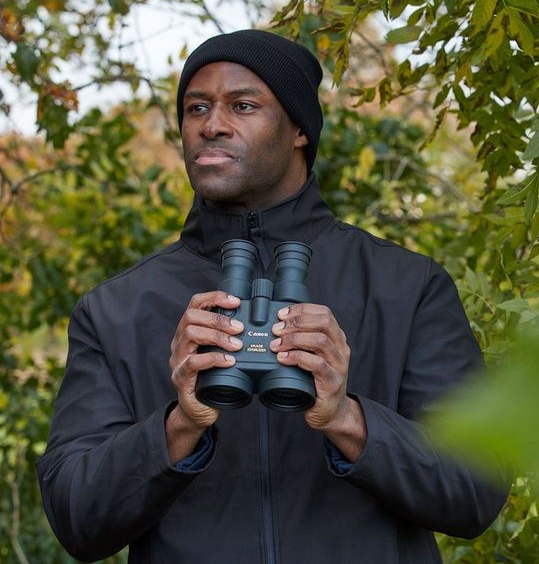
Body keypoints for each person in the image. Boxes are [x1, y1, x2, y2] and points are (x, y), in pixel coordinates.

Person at [36, 29, 508, 564]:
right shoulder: (118, 309)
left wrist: (347, 418)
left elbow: (477, 489)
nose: (212, 125)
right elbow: (76, 518)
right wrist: (179, 426)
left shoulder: (405, 287)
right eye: (196, 108)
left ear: (300, 129)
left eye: (243, 105)